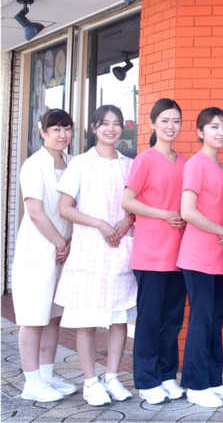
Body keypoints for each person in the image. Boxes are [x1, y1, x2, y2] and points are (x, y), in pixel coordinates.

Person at [55, 105, 136, 406]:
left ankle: (112, 377)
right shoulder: (80, 164)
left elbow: (134, 207)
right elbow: (65, 208)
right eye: (104, 124)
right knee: (86, 319)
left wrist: (126, 222)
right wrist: (100, 224)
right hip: (90, 249)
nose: (111, 129)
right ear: (93, 128)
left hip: (119, 249)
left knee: (118, 319)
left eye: (116, 124)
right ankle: (90, 381)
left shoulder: (130, 165)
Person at [121, 98, 187, 405]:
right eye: (165, 121)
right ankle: (146, 380)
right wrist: (162, 214)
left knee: (172, 318)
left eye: (175, 121)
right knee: (149, 318)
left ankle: (166, 375)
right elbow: (128, 201)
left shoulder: (185, 162)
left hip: (180, 253)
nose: (170, 126)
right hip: (151, 252)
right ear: (152, 125)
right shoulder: (145, 160)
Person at [11, 108, 77, 402]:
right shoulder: (33, 164)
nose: (62, 135)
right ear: (43, 132)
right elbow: (35, 211)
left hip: (65, 250)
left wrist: (69, 243)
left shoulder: (73, 163)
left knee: (53, 316)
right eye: (56, 130)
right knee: (34, 317)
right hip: (39, 250)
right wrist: (60, 244)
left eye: (67, 129)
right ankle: (31, 382)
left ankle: (47, 377)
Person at [177, 107, 223, 408]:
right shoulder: (197, 164)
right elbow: (187, 211)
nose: (221, 132)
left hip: (219, 255)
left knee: (215, 318)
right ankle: (195, 383)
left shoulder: (222, 168)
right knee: (201, 320)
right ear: (200, 132)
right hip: (198, 256)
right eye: (214, 127)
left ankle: (213, 380)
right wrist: (222, 229)